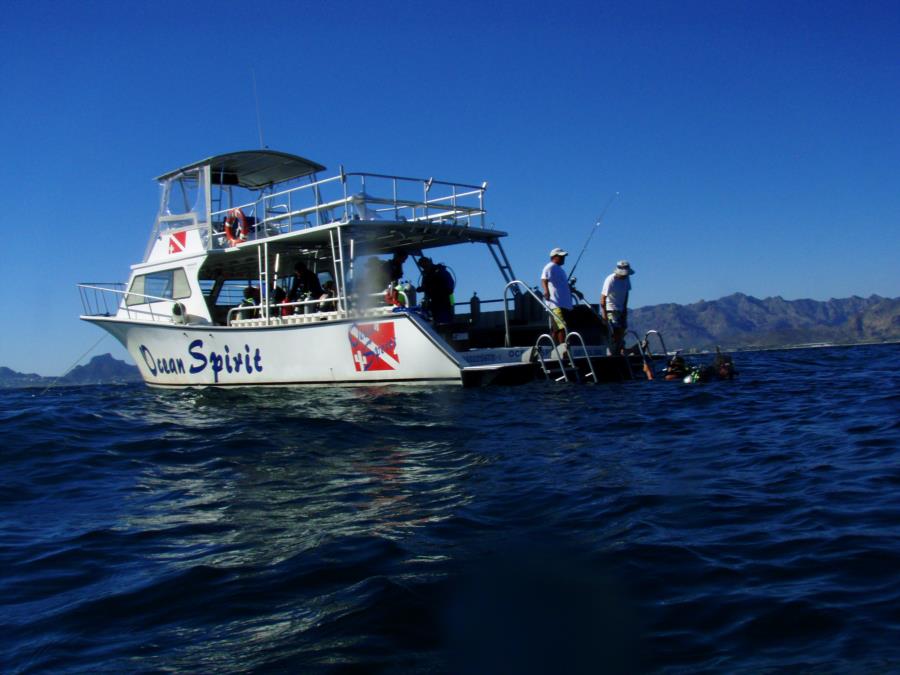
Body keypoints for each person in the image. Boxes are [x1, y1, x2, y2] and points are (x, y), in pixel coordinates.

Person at [601, 260, 634, 355]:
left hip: (621, 308)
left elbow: (626, 293)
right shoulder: (610, 280)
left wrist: (625, 308)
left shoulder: (627, 279)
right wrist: (604, 315)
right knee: (615, 329)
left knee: (623, 328)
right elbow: (603, 298)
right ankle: (614, 350)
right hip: (611, 309)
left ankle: (620, 347)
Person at [541, 247, 573, 344]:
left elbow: (564, 285)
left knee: (557, 328)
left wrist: (575, 291)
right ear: (554, 257)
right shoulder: (550, 266)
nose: (563, 258)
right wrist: (546, 291)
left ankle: (555, 348)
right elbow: (544, 279)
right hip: (555, 304)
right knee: (562, 326)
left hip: (564, 304)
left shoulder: (561, 270)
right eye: (561, 256)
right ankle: (563, 349)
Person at [418, 257, 455, 325]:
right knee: (436, 320)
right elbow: (425, 288)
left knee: (444, 321)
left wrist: (452, 302)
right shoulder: (426, 275)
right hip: (434, 301)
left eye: (425, 265)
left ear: (429, 263)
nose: (424, 268)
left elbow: (450, 289)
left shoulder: (440, 272)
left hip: (444, 300)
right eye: (422, 266)